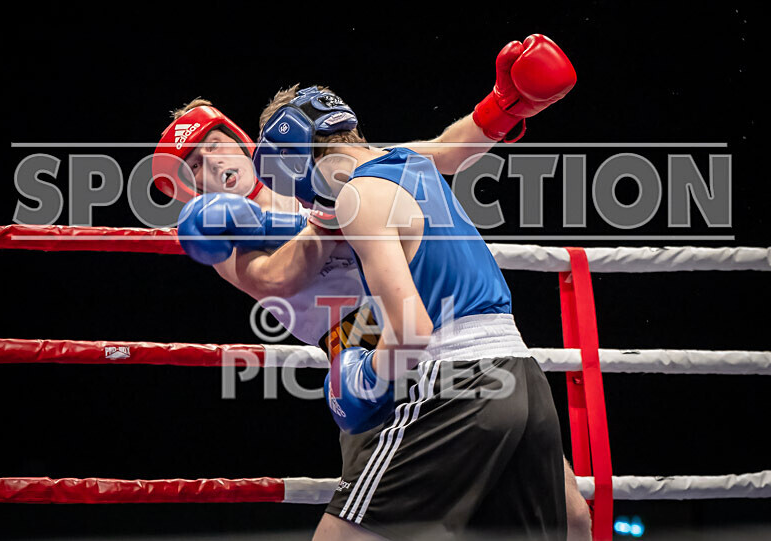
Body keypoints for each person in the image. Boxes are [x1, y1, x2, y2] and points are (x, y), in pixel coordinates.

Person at [153, 34, 590, 540]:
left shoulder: (347, 175)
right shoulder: (227, 235)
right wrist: (326, 216)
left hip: (434, 340)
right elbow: (275, 278)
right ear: (191, 186)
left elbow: (446, 151)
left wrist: (505, 105)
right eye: (194, 165)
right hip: (368, 359)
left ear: (239, 139)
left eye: (213, 146)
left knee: (568, 514)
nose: (211, 163)